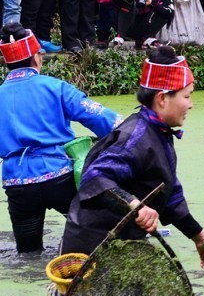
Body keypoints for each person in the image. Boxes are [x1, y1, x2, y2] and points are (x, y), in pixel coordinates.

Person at [61, 47, 204, 272]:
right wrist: (137, 206)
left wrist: (200, 237)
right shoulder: (134, 138)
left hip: (123, 246)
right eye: (187, 96)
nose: (191, 104)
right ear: (163, 99)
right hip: (92, 250)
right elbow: (96, 178)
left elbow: (170, 195)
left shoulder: (160, 133)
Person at [0, 23, 118, 253]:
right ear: (37, 58)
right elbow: (100, 118)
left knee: (28, 254)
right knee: (93, 238)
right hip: (61, 178)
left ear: (6, 63)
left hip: (18, 185)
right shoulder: (56, 87)